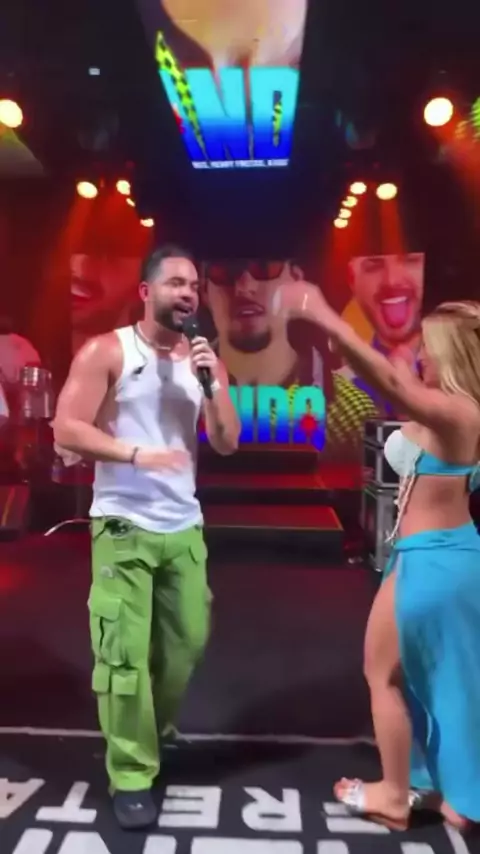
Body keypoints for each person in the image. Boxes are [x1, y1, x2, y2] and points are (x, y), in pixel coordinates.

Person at [53, 244, 240, 829]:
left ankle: (150, 730)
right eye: (175, 283)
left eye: (194, 286)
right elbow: (66, 428)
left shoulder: (205, 360)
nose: (187, 293)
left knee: (188, 639)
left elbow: (228, 440)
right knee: (125, 655)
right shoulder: (108, 350)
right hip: (122, 523)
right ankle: (132, 773)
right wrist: (135, 454)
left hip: (183, 524)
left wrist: (212, 386)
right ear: (146, 291)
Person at [283, 288, 480, 832]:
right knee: (444, 679)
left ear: (451, 356)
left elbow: (394, 385)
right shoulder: (447, 404)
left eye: (428, 348)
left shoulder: (460, 413)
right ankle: (456, 796)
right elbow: (398, 380)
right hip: (438, 557)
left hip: (434, 562)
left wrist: (326, 317)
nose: (420, 355)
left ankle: (394, 797)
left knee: (383, 673)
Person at [203, 261, 378, 454]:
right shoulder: (179, 396)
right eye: (225, 271)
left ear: (295, 281)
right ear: (203, 290)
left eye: (264, 268)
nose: (245, 287)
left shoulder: (352, 411)